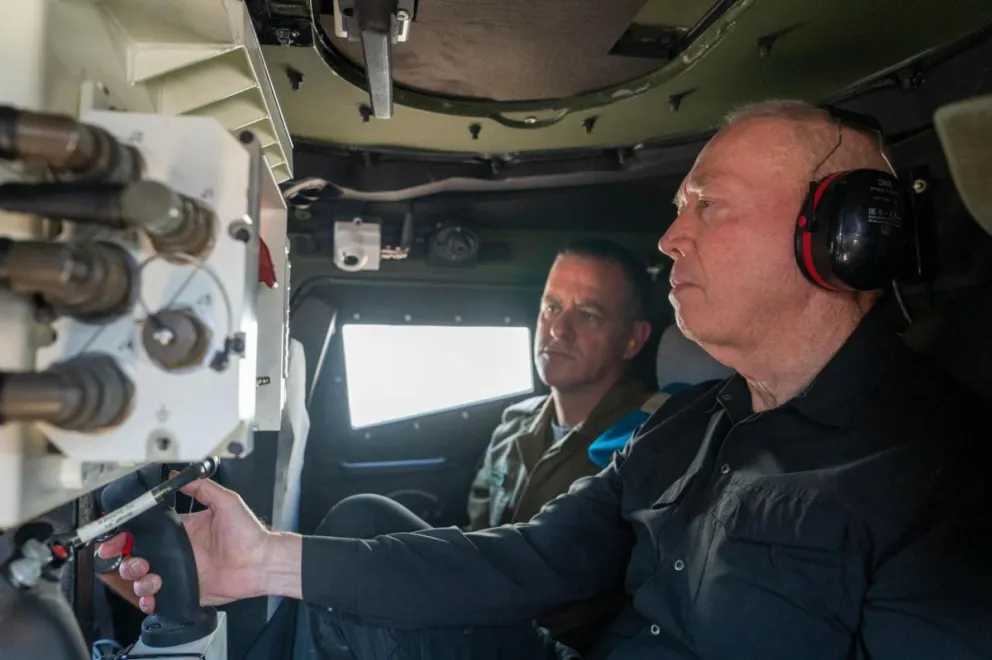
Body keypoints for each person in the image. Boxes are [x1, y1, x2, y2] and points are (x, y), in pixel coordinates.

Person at [100, 99, 992, 660]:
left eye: (705, 207)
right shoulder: (693, 426)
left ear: (842, 241)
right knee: (341, 568)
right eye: (678, 210)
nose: (671, 240)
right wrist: (264, 561)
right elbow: (537, 557)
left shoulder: (943, 480)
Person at [303, 238, 665, 653]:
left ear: (633, 339)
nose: (559, 329)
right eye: (551, 307)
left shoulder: (652, 435)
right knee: (362, 520)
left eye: (587, 314)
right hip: (492, 612)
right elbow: (480, 535)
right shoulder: (516, 423)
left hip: (562, 643)